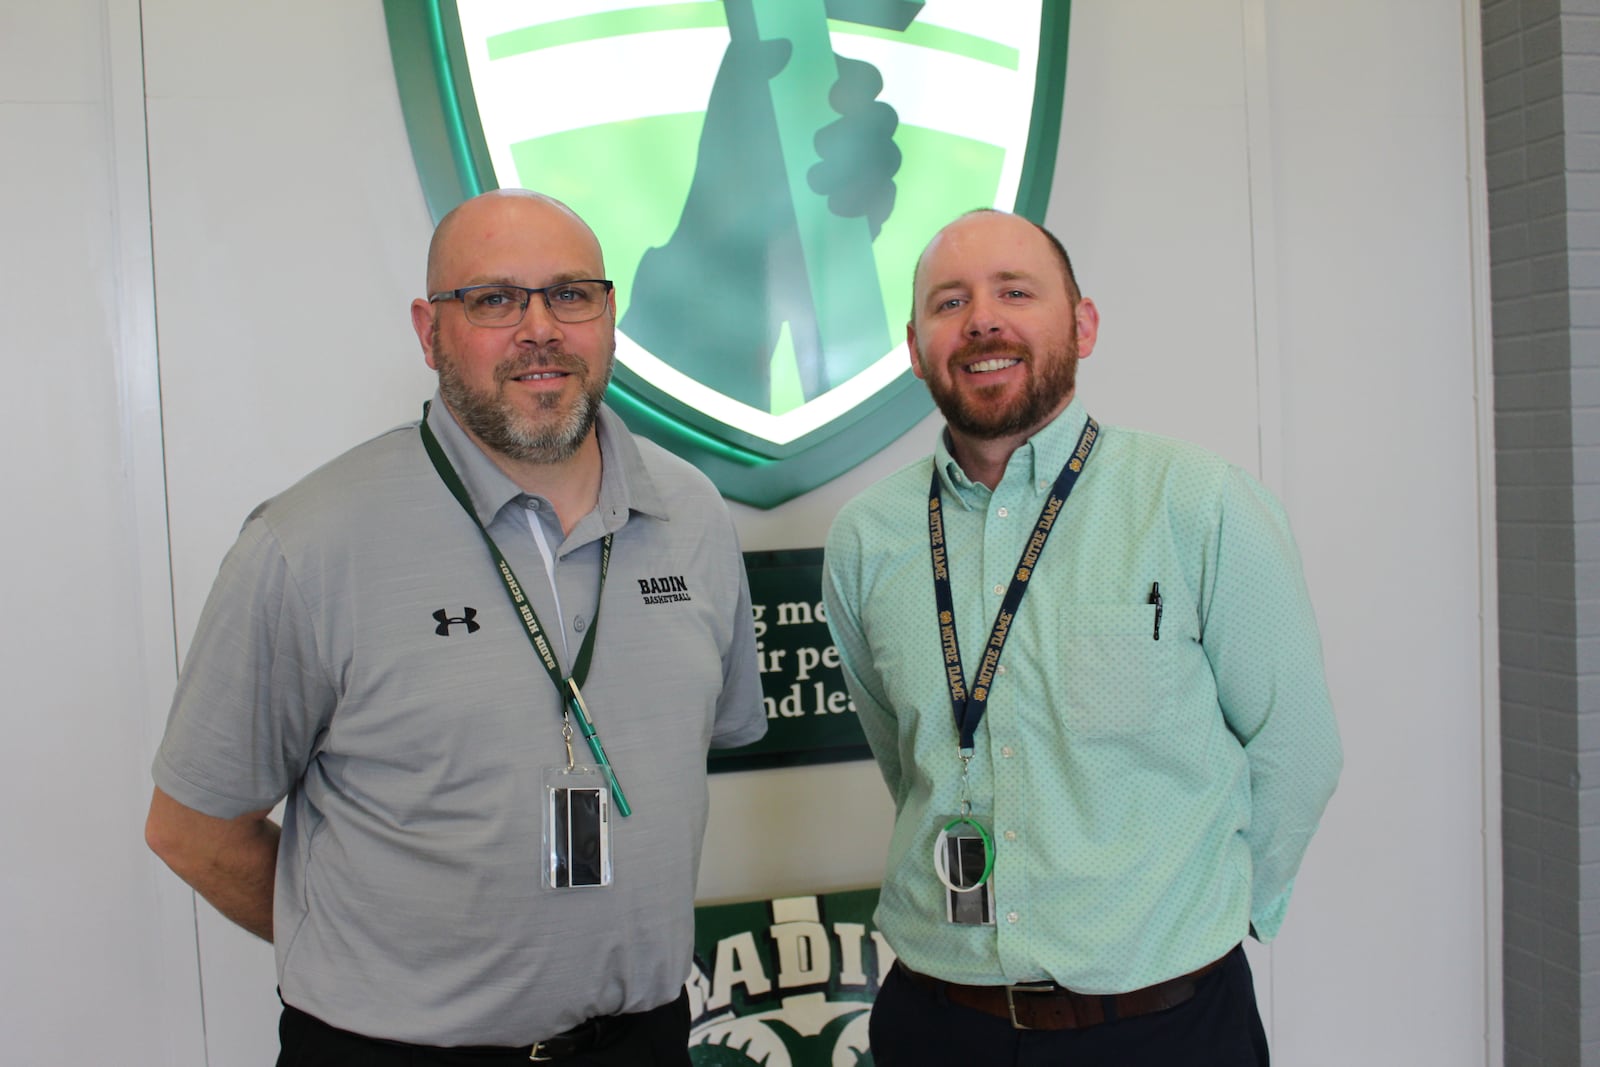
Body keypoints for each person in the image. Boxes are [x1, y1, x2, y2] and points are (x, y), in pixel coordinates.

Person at [145, 189, 766, 1065]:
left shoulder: (692, 514)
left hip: (644, 1039)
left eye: (571, 294)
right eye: (494, 300)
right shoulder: (309, 540)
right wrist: (364, 952)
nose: (540, 328)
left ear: (610, 315)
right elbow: (192, 829)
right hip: (391, 1047)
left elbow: (702, 746)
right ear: (428, 330)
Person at [822, 209, 1342, 1065]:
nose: (982, 318)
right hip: (940, 1025)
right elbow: (907, 754)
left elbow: (1298, 747)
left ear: (1083, 324)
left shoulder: (1199, 504)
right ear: (916, 348)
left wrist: (1211, 915)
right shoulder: (866, 537)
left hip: (1166, 1027)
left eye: (1015, 291)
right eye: (950, 302)